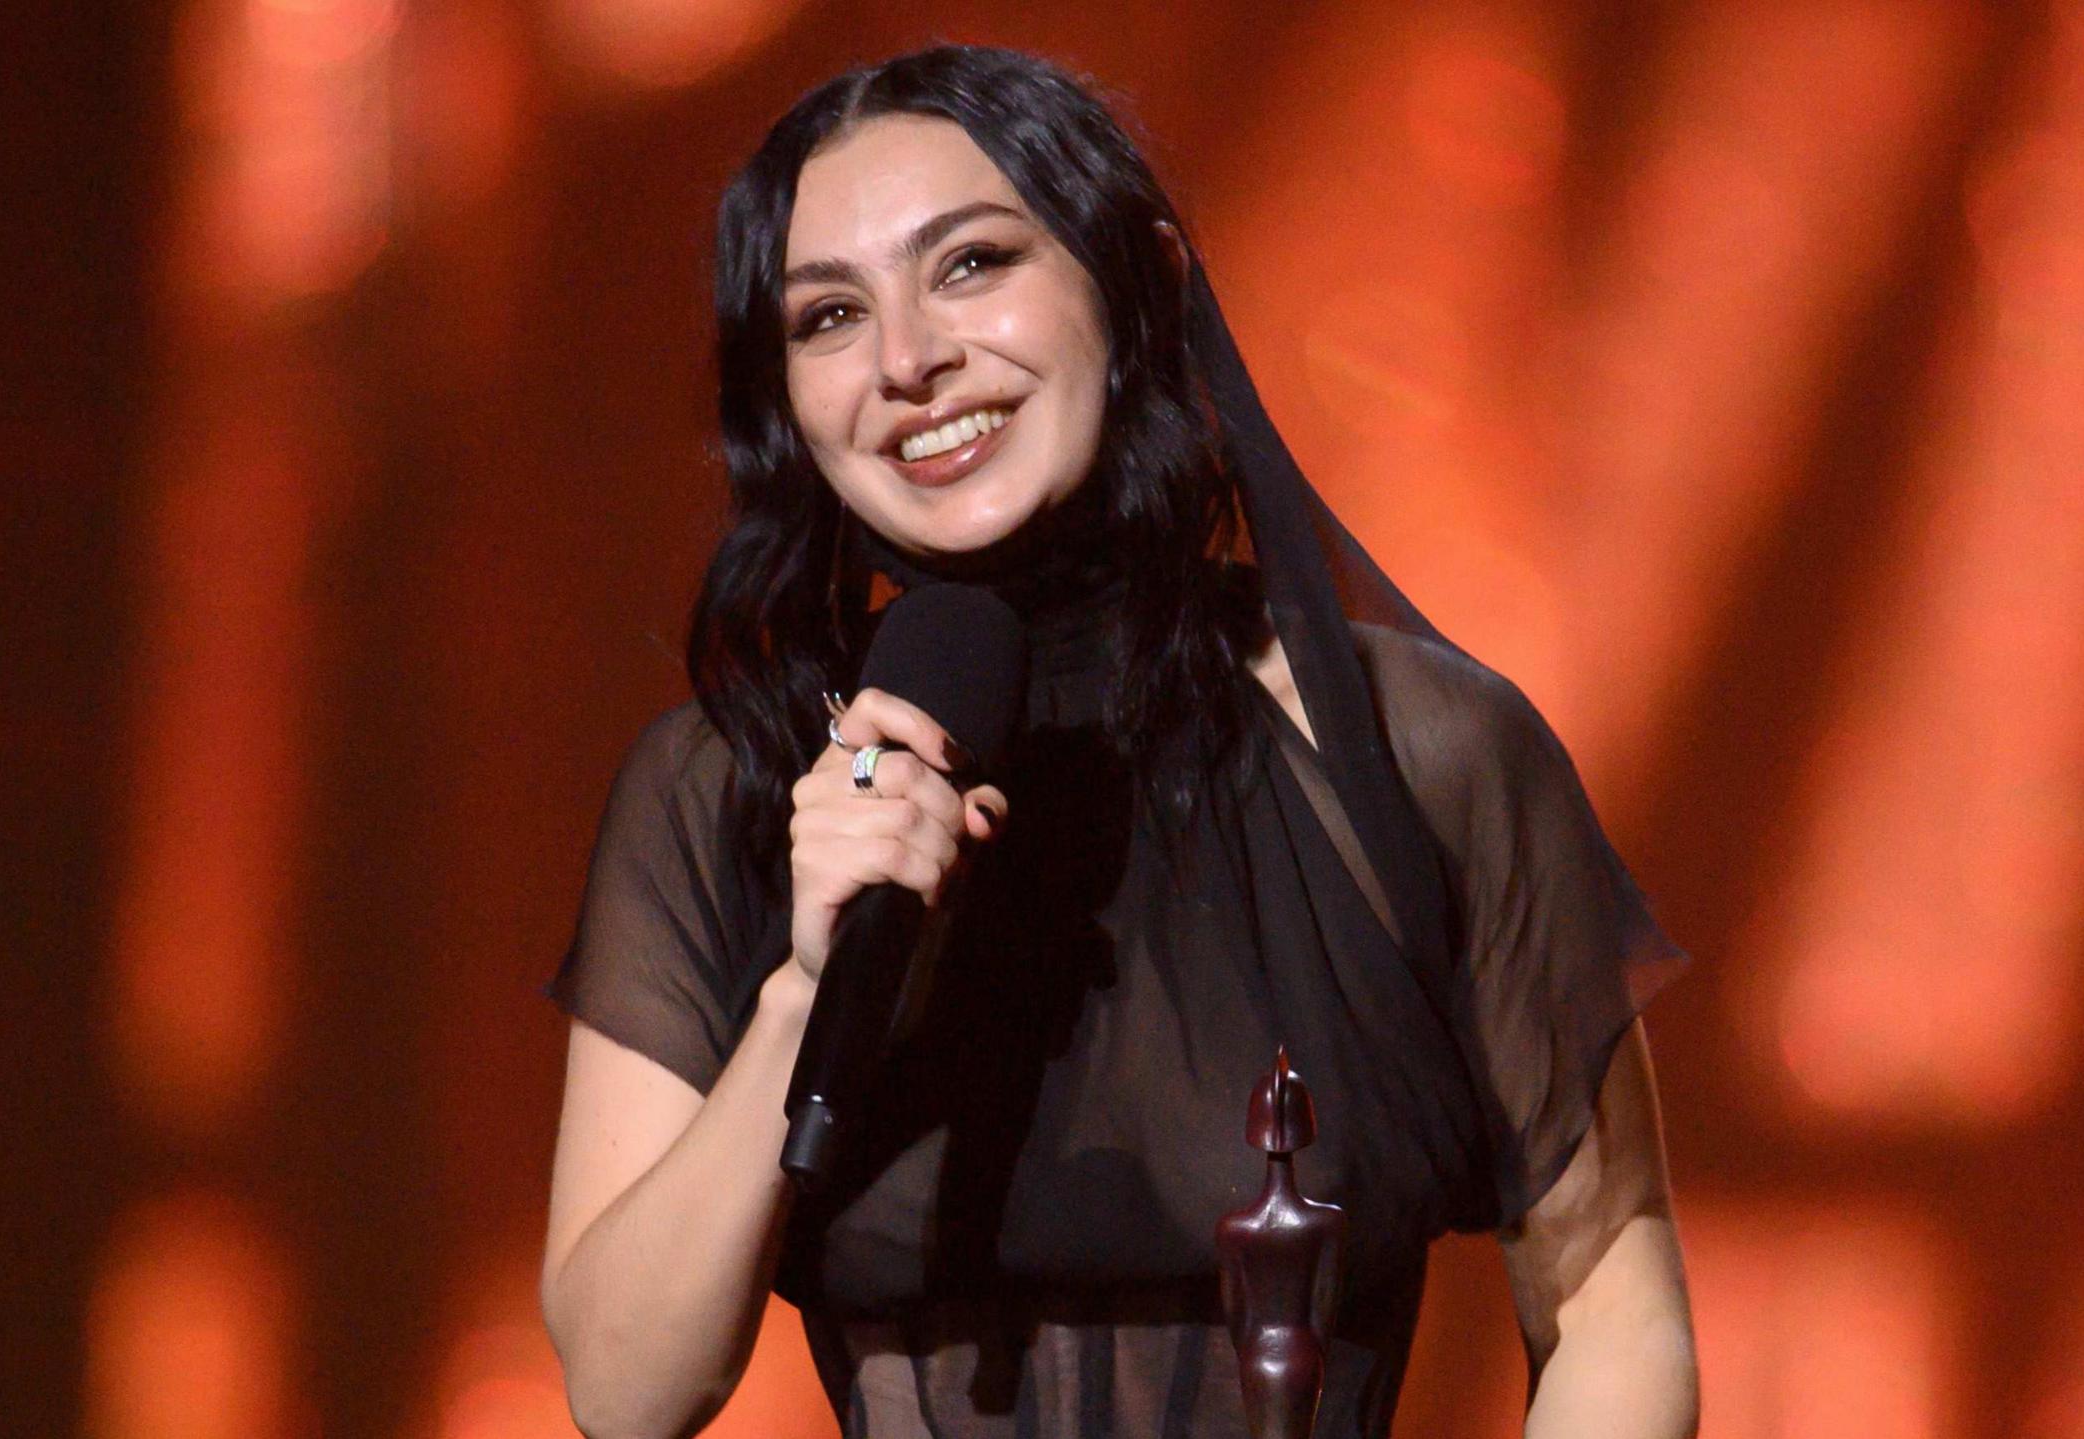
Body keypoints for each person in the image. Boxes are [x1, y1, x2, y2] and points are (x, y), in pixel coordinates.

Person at [540, 44, 1697, 1439]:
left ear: (1131, 282)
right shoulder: (723, 788)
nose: (908, 360)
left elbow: (1608, 1309)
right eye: (830, 314)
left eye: (971, 265)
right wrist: (802, 986)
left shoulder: (1420, 752)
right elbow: (623, 1390)